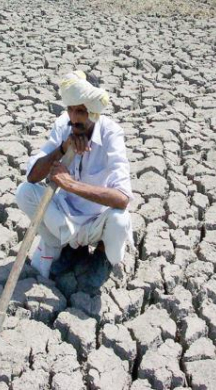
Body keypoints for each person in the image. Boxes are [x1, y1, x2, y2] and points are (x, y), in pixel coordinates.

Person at [15, 71, 134, 283]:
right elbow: (33, 177)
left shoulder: (110, 134)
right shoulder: (63, 126)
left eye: (81, 111)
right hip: (66, 216)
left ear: (95, 111)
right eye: (70, 109)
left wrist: (70, 185)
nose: (74, 117)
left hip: (98, 222)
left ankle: (101, 256)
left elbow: (123, 198)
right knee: (25, 193)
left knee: (120, 219)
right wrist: (62, 148)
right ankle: (66, 247)